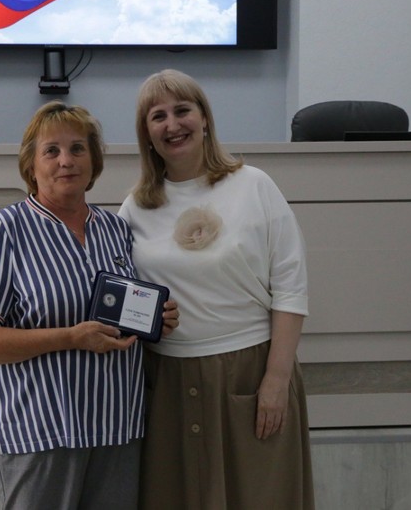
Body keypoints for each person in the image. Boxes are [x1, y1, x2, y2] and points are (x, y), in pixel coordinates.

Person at [0, 100, 179, 510]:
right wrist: (71, 338)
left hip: (117, 431)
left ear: (94, 161)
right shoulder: (6, 228)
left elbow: (123, 314)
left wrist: (155, 319)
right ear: (31, 165)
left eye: (78, 148)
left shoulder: (116, 230)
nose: (66, 161)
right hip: (39, 435)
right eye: (51, 151)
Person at [118, 69, 314, 510]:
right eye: (158, 116)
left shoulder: (254, 186)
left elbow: (290, 286)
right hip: (166, 383)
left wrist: (277, 380)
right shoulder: (135, 208)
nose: (173, 125)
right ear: (146, 134)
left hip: (251, 373)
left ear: (204, 118)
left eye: (182, 110)